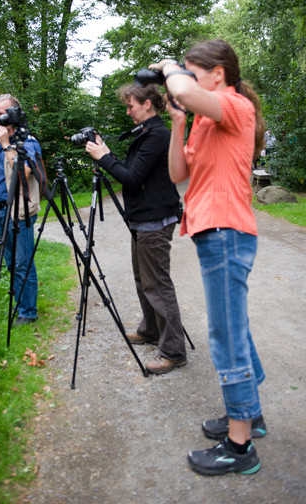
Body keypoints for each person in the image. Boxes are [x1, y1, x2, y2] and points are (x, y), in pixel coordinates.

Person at [149, 39, 267, 475]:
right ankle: (250, 415)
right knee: (233, 327)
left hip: (226, 230)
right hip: (211, 231)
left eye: (193, 71)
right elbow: (180, 173)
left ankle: (240, 448)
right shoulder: (204, 118)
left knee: (225, 335)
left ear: (218, 73)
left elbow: (183, 89)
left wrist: (166, 66)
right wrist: (179, 123)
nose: (184, 78)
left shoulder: (233, 105)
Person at [85, 83, 186, 375]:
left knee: (158, 285)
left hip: (155, 221)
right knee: (143, 280)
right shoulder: (145, 133)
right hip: (143, 220)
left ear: (147, 104)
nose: (127, 111)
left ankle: (174, 351)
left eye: (131, 106)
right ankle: (151, 330)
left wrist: (104, 158)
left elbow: (131, 178)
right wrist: (106, 155)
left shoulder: (157, 135)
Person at [0, 94, 41, 325]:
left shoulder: (27, 141)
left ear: (12, 114)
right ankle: (21, 304)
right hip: (0, 210)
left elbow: (25, 172)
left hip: (19, 211)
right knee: (11, 262)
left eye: (0, 113)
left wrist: (5, 144)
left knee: (23, 262)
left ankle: (28, 312)